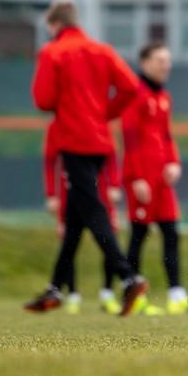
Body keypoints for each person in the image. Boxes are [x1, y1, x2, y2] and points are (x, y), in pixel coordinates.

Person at [24, 1, 148, 316]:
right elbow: (131, 87)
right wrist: (104, 113)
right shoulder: (103, 51)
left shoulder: (52, 52)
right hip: (100, 141)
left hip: (73, 140)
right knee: (75, 218)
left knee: (92, 210)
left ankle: (128, 277)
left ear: (54, 25)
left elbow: (43, 100)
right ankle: (55, 288)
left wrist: (71, 108)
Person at [121, 41, 188, 316]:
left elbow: (166, 135)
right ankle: (133, 296)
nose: (166, 65)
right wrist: (137, 177)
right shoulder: (134, 94)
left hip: (162, 179)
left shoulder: (163, 96)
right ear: (145, 62)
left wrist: (173, 162)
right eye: (161, 60)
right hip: (142, 177)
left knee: (171, 233)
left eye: (168, 60)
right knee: (139, 234)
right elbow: (130, 137)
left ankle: (176, 296)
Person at [42, 121, 123, 314]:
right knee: (69, 242)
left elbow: (111, 154)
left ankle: (107, 293)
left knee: (109, 239)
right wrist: (52, 194)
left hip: (99, 193)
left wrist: (114, 184)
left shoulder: (100, 121)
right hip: (71, 192)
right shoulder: (57, 126)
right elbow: (50, 160)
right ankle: (72, 295)